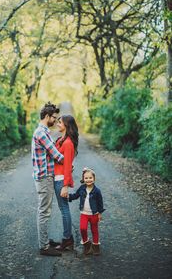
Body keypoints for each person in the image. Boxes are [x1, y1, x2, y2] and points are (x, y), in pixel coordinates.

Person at [32, 102, 64, 256]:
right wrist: (68, 162)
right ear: (47, 116)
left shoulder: (44, 131)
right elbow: (56, 154)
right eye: (54, 118)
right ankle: (44, 247)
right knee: (44, 211)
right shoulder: (41, 133)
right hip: (44, 177)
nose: (55, 121)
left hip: (45, 176)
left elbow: (53, 154)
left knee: (45, 210)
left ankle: (45, 241)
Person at [54, 115, 79, 250]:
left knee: (64, 210)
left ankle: (67, 239)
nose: (58, 124)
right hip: (56, 179)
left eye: (60, 122)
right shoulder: (60, 140)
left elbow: (68, 166)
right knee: (63, 209)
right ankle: (68, 238)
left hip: (60, 181)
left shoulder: (68, 143)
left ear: (66, 125)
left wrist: (65, 186)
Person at [68, 168, 105, 255]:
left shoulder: (97, 191)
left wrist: (100, 213)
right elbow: (76, 196)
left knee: (94, 230)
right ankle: (86, 244)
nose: (88, 180)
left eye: (90, 178)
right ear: (83, 179)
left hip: (94, 214)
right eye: (86, 178)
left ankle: (96, 246)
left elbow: (100, 203)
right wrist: (68, 197)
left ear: (94, 179)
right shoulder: (81, 188)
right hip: (84, 214)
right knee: (82, 228)